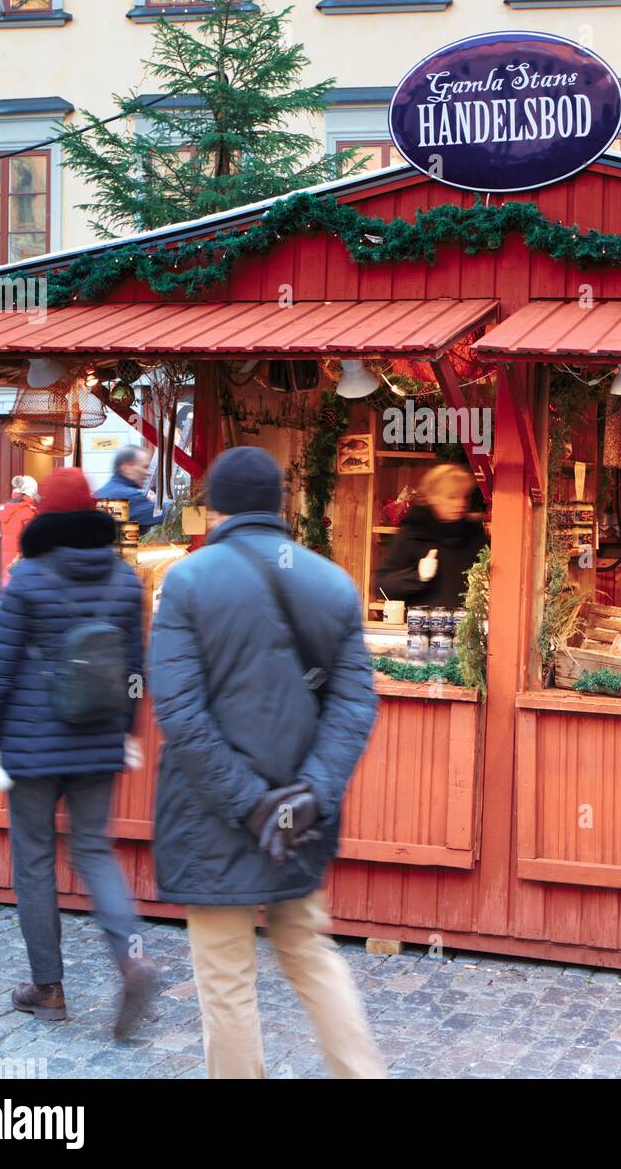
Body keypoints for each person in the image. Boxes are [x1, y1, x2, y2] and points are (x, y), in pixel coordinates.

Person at [148, 446, 384, 1079]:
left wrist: (250, 803)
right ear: (281, 504)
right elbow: (356, 703)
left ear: (215, 505)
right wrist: (309, 793)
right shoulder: (332, 581)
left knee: (225, 977)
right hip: (301, 815)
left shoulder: (188, 580)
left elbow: (177, 710)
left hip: (213, 814)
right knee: (309, 949)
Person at [0, 467, 156, 1036]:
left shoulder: (28, 579)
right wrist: (127, 730)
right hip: (98, 742)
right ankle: (132, 957)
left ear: (46, 514)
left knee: (33, 862)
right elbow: (134, 670)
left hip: (32, 746)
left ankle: (48, 990)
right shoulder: (126, 581)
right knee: (94, 853)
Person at [377, 463, 488, 609]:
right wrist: (417, 577)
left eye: (464, 497)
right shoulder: (414, 532)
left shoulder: (475, 533)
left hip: (469, 626)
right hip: (423, 626)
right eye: (452, 497)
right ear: (433, 497)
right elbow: (382, 586)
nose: (460, 503)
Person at [94, 446, 162, 529]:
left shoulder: (104, 492)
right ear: (127, 468)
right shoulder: (125, 496)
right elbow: (162, 514)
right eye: (145, 467)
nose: (148, 473)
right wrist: (180, 505)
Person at [0, 474, 38, 586]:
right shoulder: (28, 512)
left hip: (9, 559)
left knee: (10, 586)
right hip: (22, 561)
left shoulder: (8, 509)